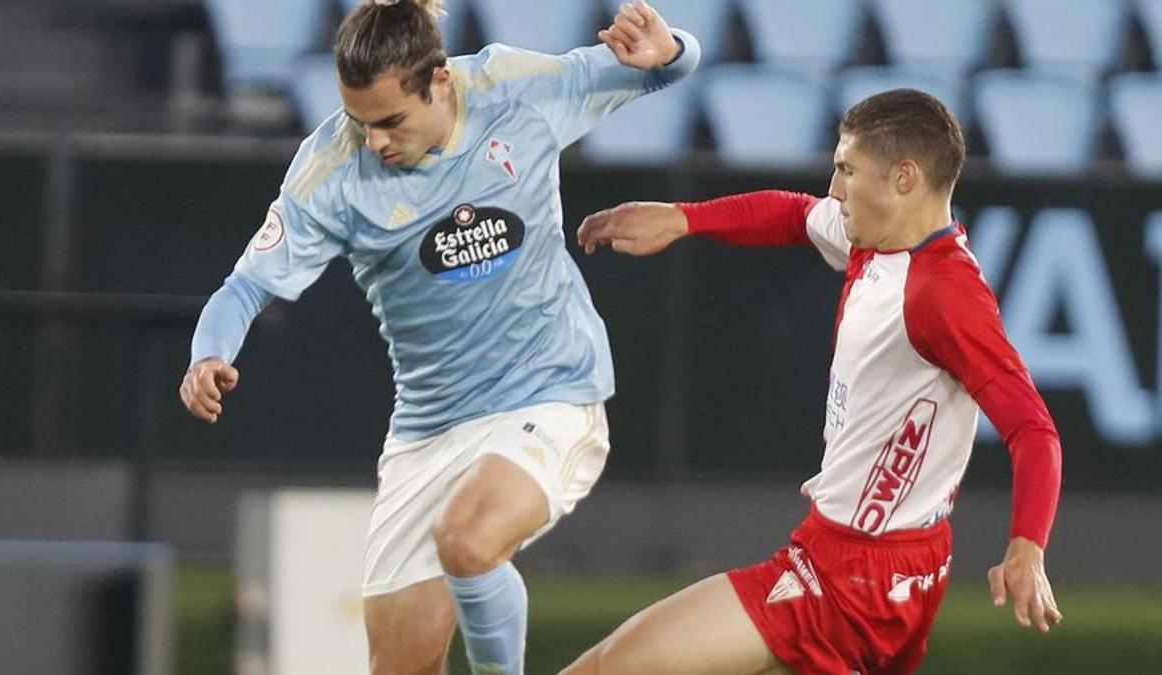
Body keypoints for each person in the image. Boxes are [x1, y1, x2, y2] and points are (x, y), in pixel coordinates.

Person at [178, 1, 699, 673]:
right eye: (360, 123)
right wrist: (208, 354)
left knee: (468, 537)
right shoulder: (331, 171)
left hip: (549, 393)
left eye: (392, 121)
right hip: (429, 430)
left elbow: (664, 69)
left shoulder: (515, 89)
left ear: (441, 83)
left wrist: (671, 48)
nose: (376, 143)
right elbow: (245, 286)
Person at [563, 89, 1063, 675]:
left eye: (848, 170)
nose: (835, 188)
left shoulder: (941, 295)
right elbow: (793, 214)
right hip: (872, 565)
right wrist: (684, 219)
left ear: (904, 177)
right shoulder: (880, 241)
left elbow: (1033, 429)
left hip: (857, 578)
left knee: (608, 669)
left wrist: (1027, 546)